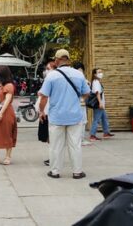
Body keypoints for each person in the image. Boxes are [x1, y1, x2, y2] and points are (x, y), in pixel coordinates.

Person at [39, 49, 90, 179]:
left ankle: (55, 171)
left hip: (57, 116)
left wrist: (41, 111)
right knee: (75, 145)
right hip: (74, 115)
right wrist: (79, 99)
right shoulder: (79, 75)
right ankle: (77, 172)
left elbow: (44, 96)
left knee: (56, 145)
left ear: (57, 60)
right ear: (68, 59)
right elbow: (87, 93)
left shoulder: (51, 76)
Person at [37, 61, 56, 166]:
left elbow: (44, 96)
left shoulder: (52, 80)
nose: (46, 71)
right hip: (46, 111)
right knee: (49, 137)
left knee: (52, 137)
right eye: (46, 69)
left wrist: (41, 111)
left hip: (48, 111)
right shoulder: (48, 80)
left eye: (48, 69)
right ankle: (52, 157)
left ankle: (53, 158)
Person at [89, 68, 114, 141]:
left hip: (101, 104)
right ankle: (92, 135)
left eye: (101, 72)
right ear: (95, 74)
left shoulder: (97, 82)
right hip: (98, 104)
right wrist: (100, 103)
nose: (101, 73)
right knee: (96, 119)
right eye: (99, 72)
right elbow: (97, 93)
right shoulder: (96, 82)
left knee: (104, 118)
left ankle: (106, 133)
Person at [73, 61, 92, 146]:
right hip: (79, 103)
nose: (80, 72)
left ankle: (80, 139)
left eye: (81, 70)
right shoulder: (82, 80)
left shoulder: (83, 80)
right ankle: (80, 140)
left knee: (82, 122)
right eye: (78, 70)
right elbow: (87, 92)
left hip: (80, 104)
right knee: (81, 121)